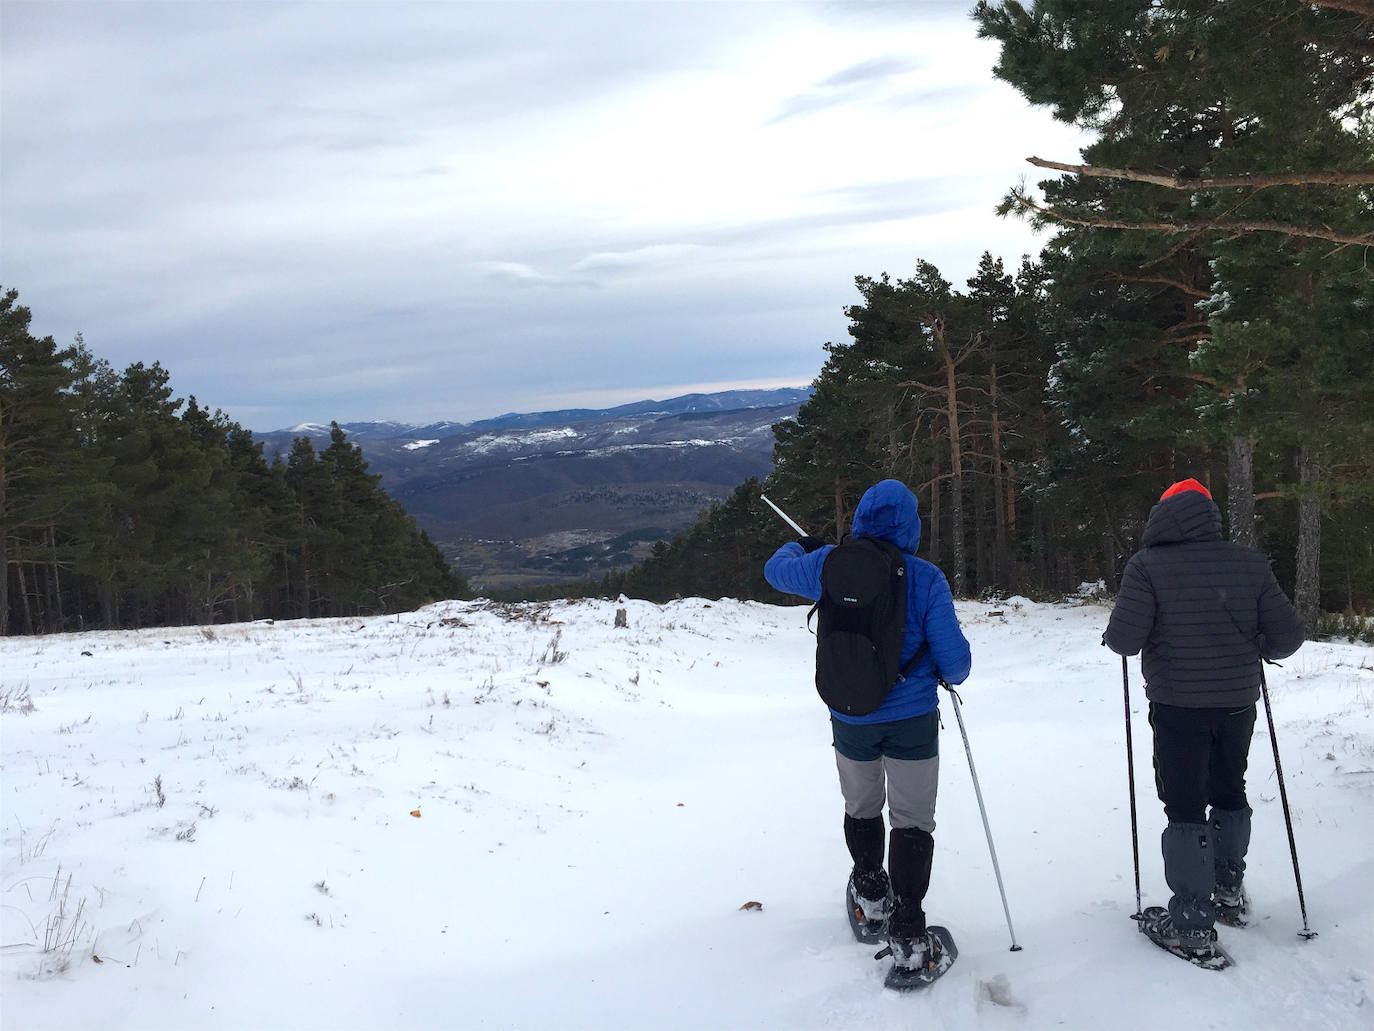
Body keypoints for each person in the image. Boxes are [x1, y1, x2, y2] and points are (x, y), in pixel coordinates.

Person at [763, 478, 972, 982]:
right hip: (912, 723)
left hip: (851, 717)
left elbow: (774, 571)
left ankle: (871, 894)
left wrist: (807, 547)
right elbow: (957, 665)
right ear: (911, 524)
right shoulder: (926, 579)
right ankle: (908, 933)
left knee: (861, 807)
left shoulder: (828, 565)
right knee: (912, 820)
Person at [1104, 478, 1304, 959]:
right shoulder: (1248, 563)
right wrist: (1257, 648)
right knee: (1229, 788)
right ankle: (1228, 890)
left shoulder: (1147, 565)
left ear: (1162, 516)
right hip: (1236, 701)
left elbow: (1125, 640)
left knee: (1185, 804)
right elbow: (1288, 636)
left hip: (1178, 705)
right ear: (1209, 516)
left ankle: (1192, 922)